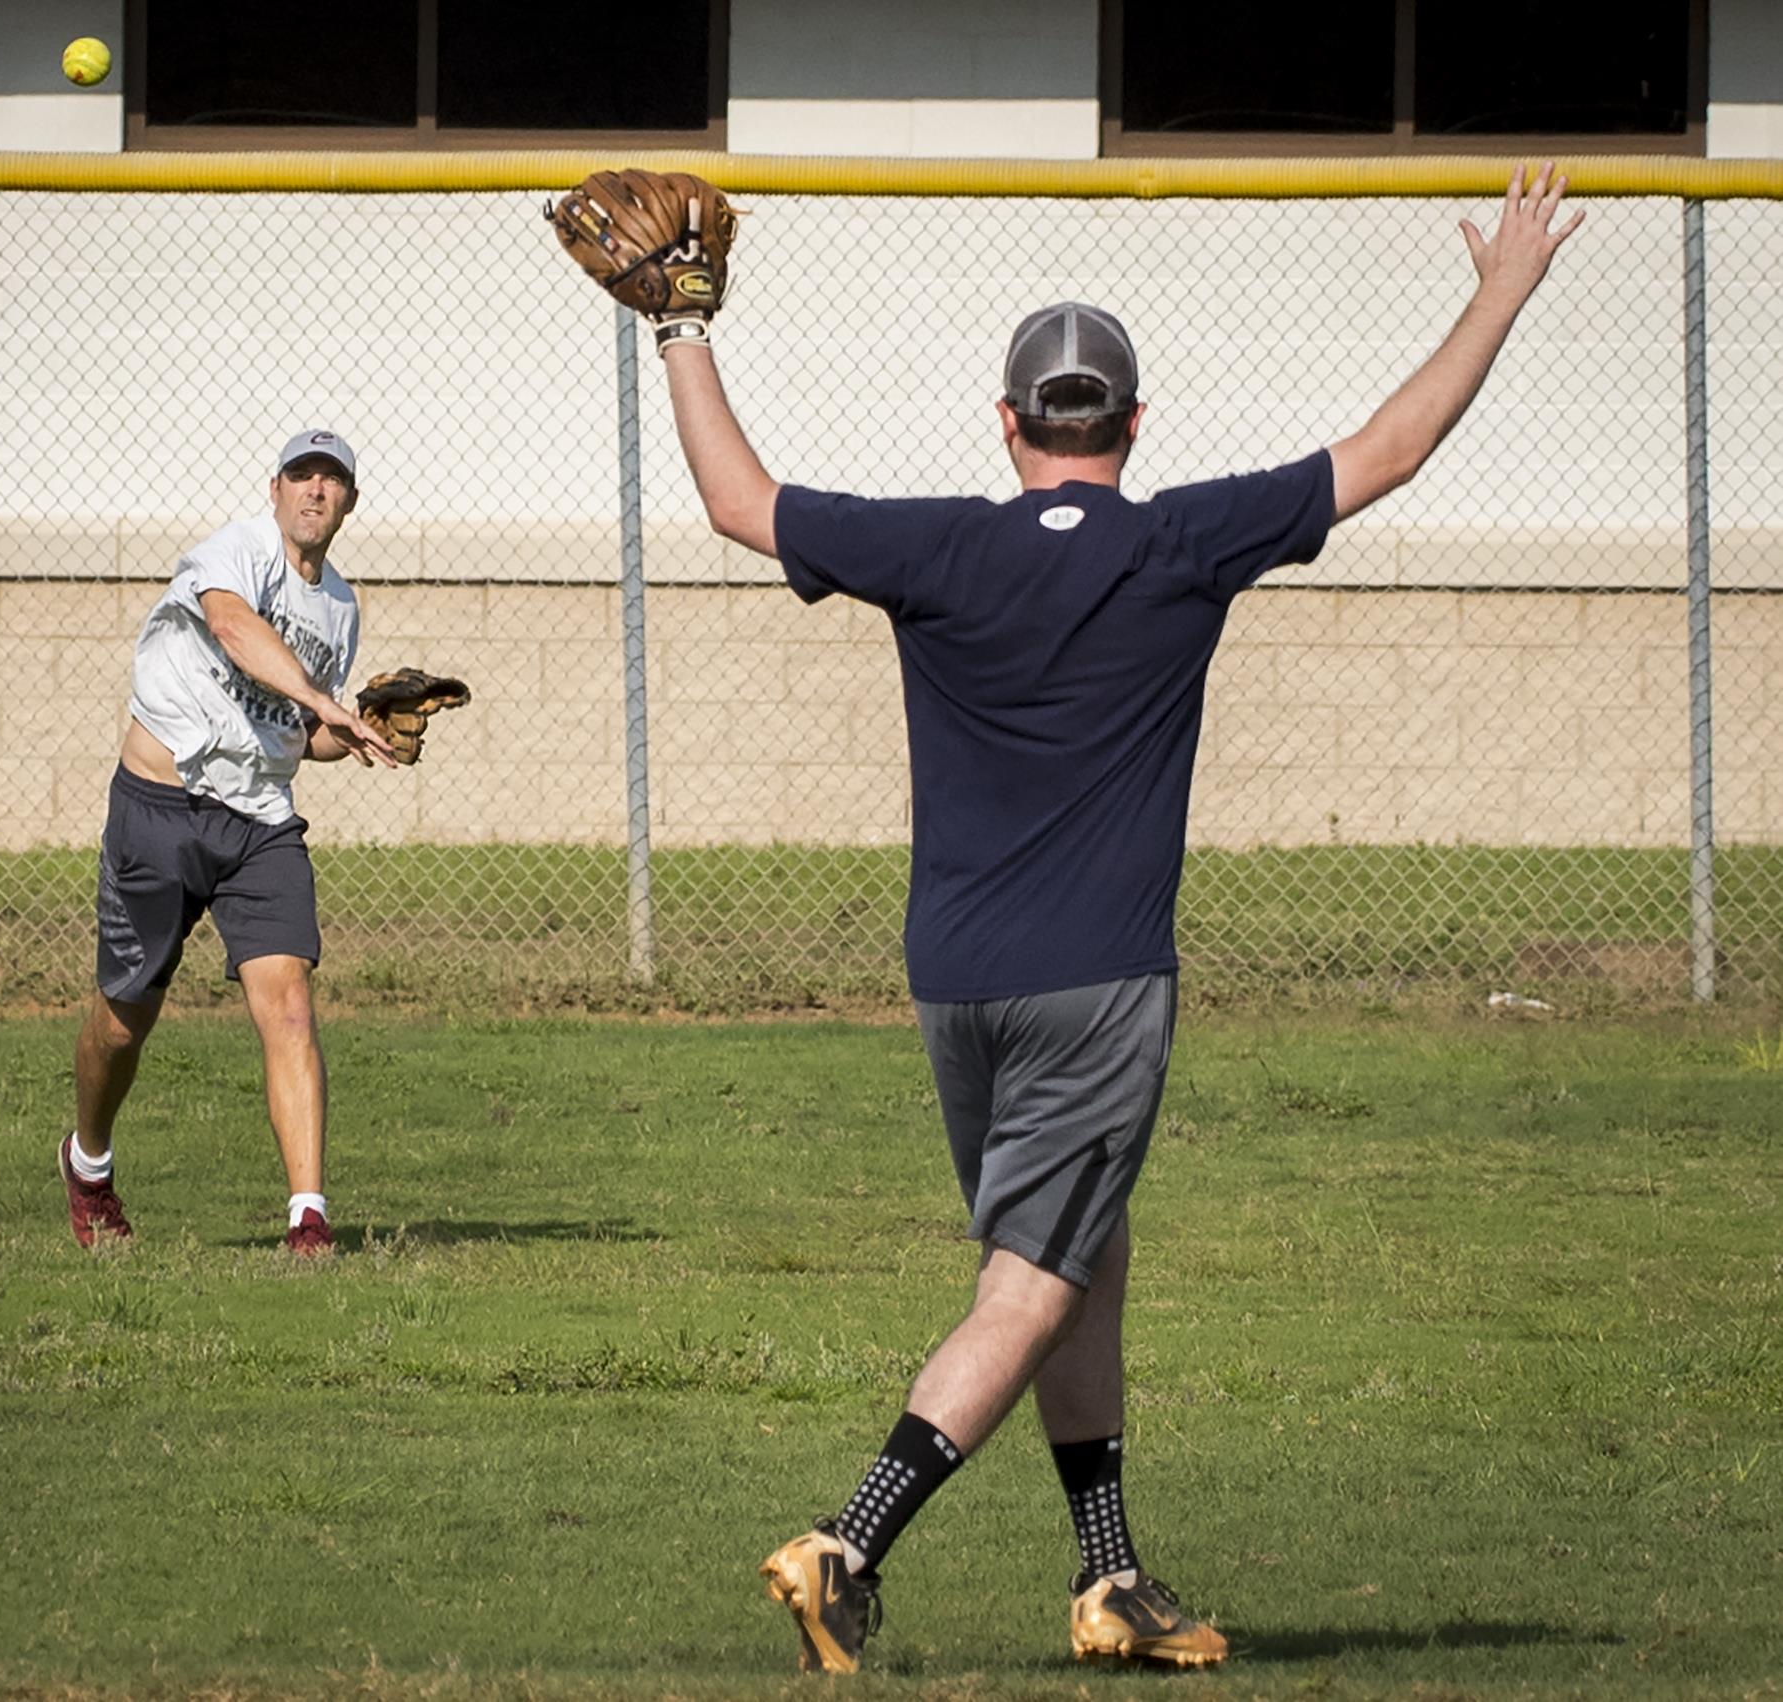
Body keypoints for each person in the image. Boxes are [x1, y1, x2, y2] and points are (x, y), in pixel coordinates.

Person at [648, 166, 1582, 1670]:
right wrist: (1502, 289)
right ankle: (851, 1537)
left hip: (957, 980)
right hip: (1098, 981)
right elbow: (1392, 448)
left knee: (1084, 1249)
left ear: (1008, 425)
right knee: (1030, 1282)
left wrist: (682, 327)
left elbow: (734, 502)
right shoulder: (1180, 543)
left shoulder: (938, 546)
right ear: (1132, 429)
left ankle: (1112, 1575)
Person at [60, 428, 397, 1257]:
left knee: (288, 1006)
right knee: (122, 1021)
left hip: (258, 825)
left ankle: (308, 1221)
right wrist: (326, 703)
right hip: (160, 808)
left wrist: (358, 735)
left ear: (351, 501)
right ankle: (88, 1162)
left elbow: (295, 733)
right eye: (301, 477)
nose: (316, 492)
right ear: (276, 489)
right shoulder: (237, 552)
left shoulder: (341, 607)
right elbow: (236, 629)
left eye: (333, 481)